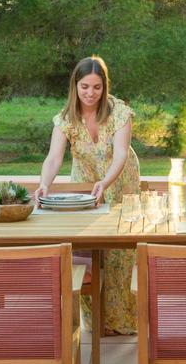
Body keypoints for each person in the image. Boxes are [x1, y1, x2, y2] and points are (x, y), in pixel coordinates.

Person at [35, 56, 141, 334]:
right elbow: (53, 159)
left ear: (104, 86)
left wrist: (105, 183)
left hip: (119, 181)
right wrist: (44, 184)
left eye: (96, 87)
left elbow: (120, 156)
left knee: (120, 252)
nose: (90, 93)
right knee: (89, 246)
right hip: (84, 183)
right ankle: (97, 322)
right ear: (75, 85)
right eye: (84, 86)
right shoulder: (66, 117)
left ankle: (124, 322)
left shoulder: (119, 113)